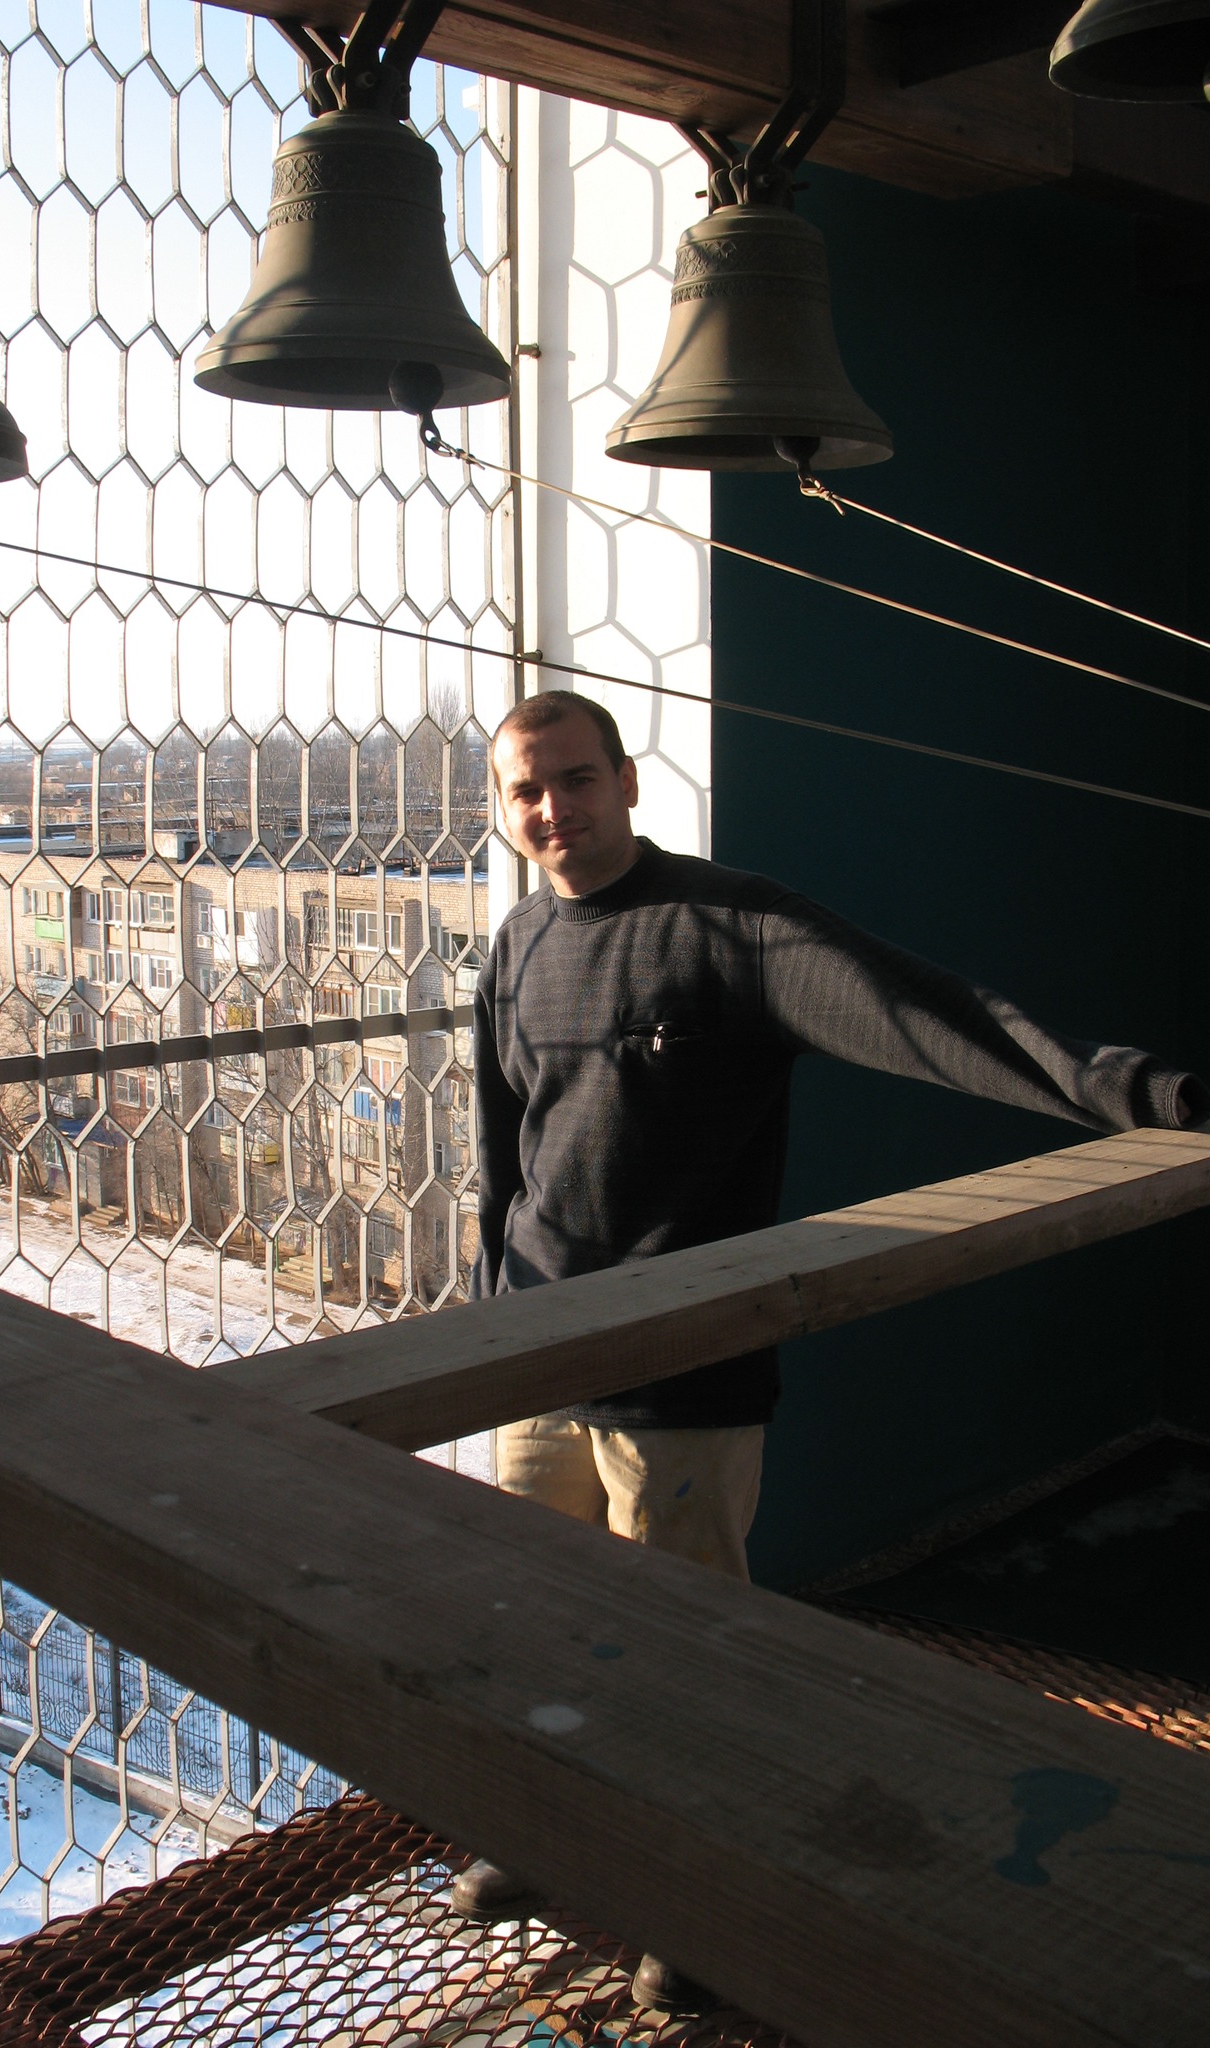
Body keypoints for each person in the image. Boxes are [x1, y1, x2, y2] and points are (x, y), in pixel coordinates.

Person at [446, 689, 1207, 2011]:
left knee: (684, 1661)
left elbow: (944, 1019)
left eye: (576, 779)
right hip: (542, 1360)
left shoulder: (732, 929)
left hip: (683, 1372)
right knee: (541, 1625)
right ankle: (550, 1839)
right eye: (526, 790)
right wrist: (489, 1325)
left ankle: (702, 1904)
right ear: (501, 811)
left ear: (628, 781)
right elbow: (501, 1157)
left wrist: (1155, 1098)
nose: (553, 808)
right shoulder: (516, 946)